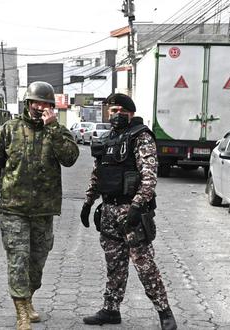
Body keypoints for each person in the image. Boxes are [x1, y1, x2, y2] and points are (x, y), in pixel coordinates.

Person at [0, 81, 79, 330]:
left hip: (44, 211)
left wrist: (53, 127)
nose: (39, 107)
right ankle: (21, 311)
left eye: (45, 103)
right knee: (18, 260)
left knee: (37, 263)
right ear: (27, 103)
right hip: (14, 209)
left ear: (51, 107)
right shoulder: (9, 130)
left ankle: (29, 299)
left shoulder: (57, 131)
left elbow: (70, 159)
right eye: (35, 102)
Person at [80, 93, 177, 330]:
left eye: (118, 111)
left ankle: (165, 312)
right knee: (114, 263)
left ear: (129, 112)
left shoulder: (141, 137)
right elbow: (98, 174)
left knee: (144, 264)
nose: (113, 115)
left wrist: (137, 205)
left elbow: (149, 176)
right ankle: (111, 310)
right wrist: (88, 202)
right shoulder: (109, 139)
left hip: (131, 212)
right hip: (110, 210)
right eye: (111, 111)